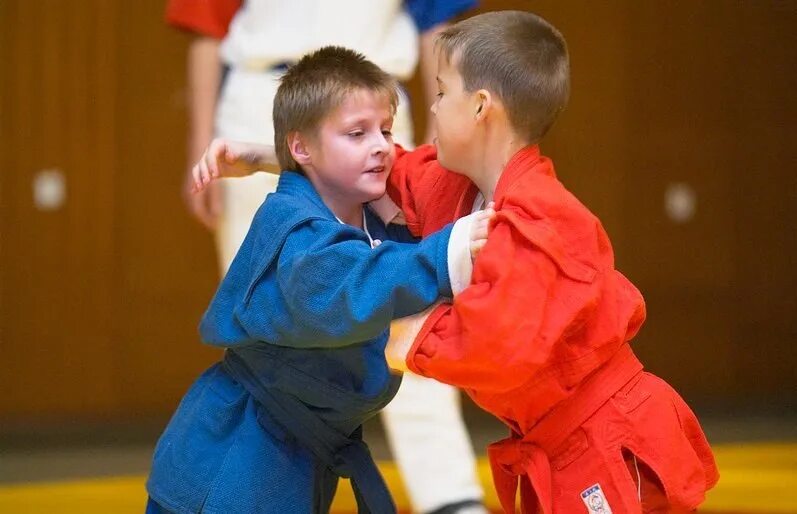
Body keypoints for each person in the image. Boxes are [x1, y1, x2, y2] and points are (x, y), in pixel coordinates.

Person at [193, 11, 720, 513]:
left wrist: (387, 324)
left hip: (605, 434)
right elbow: (387, 167)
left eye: (442, 92)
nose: (432, 105)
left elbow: (493, 346)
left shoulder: (545, 221)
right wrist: (267, 155)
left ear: (481, 107)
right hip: (552, 438)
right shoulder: (461, 186)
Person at [165, 2, 486, 512]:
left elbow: (436, 20)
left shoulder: (379, 141)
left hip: (372, 93)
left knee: (408, 317)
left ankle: (449, 496)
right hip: (260, 93)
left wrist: (434, 143)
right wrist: (200, 143)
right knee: (268, 338)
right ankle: (253, 485)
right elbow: (207, 26)